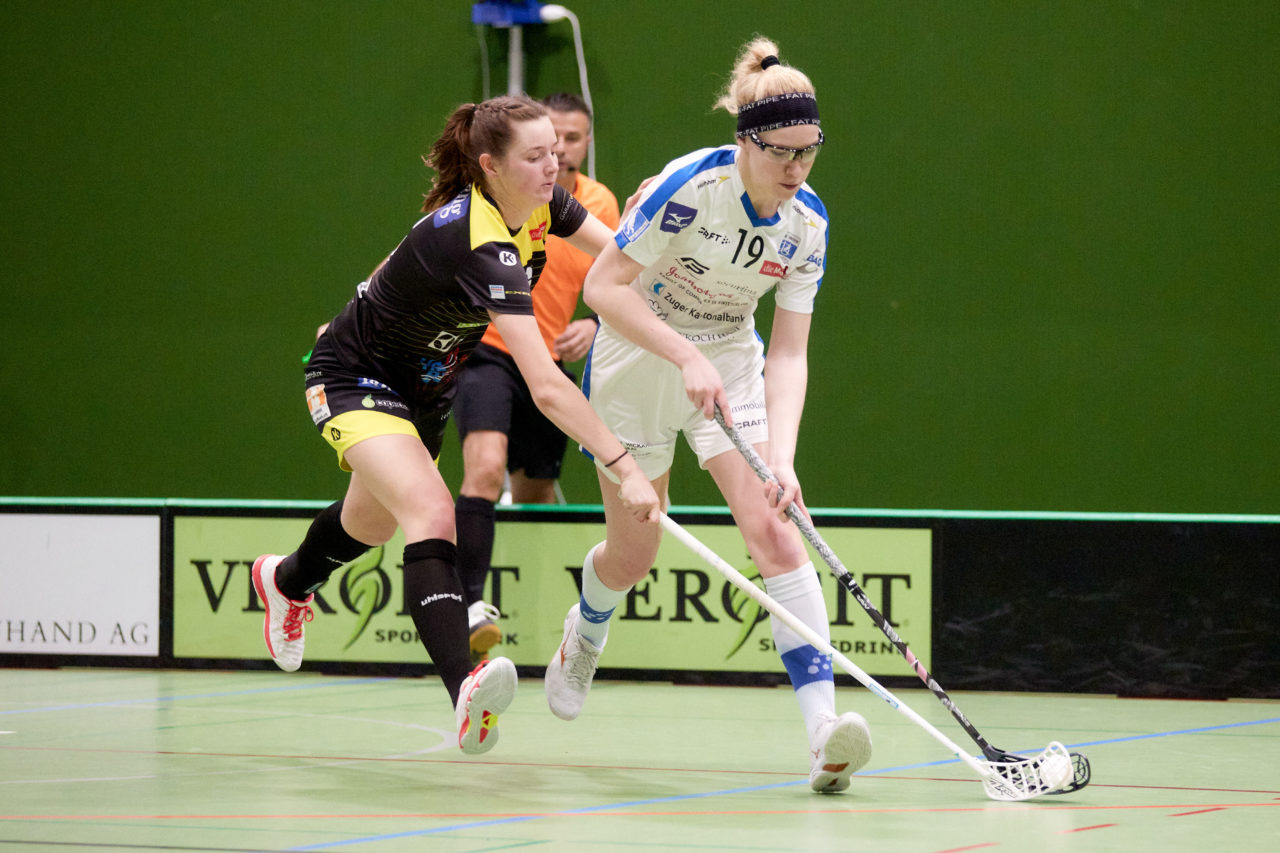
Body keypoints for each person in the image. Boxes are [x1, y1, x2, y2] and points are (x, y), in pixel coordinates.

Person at [252, 94, 660, 758]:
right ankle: (466, 689)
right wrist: (623, 465)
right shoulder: (483, 245)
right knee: (430, 511)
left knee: (369, 525)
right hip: (354, 376)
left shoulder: (543, 204)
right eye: (535, 155)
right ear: (490, 165)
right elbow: (545, 385)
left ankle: (285, 581)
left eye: (556, 152)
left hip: (427, 388)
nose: (553, 165)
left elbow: (621, 259)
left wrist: (659, 236)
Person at [543, 38, 874, 793]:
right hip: (637, 356)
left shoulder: (808, 225)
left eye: (810, 151)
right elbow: (603, 289)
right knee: (634, 555)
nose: (797, 169)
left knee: (776, 527)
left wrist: (782, 458)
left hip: (730, 358)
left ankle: (823, 734)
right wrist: (680, 353)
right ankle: (585, 629)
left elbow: (788, 353)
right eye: (782, 152)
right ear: (746, 141)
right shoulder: (690, 187)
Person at [452, 93, 620, 662]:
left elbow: (620, 272)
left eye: (569, 141)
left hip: (545, 363)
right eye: (545, 146)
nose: (558, 154)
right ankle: (468, 608)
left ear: (585, 143)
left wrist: (594, 323)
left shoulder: (591, 204)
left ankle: (538, 626)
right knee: (485, 468)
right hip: (487, 349)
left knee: (536, 493)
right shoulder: (485, 209)